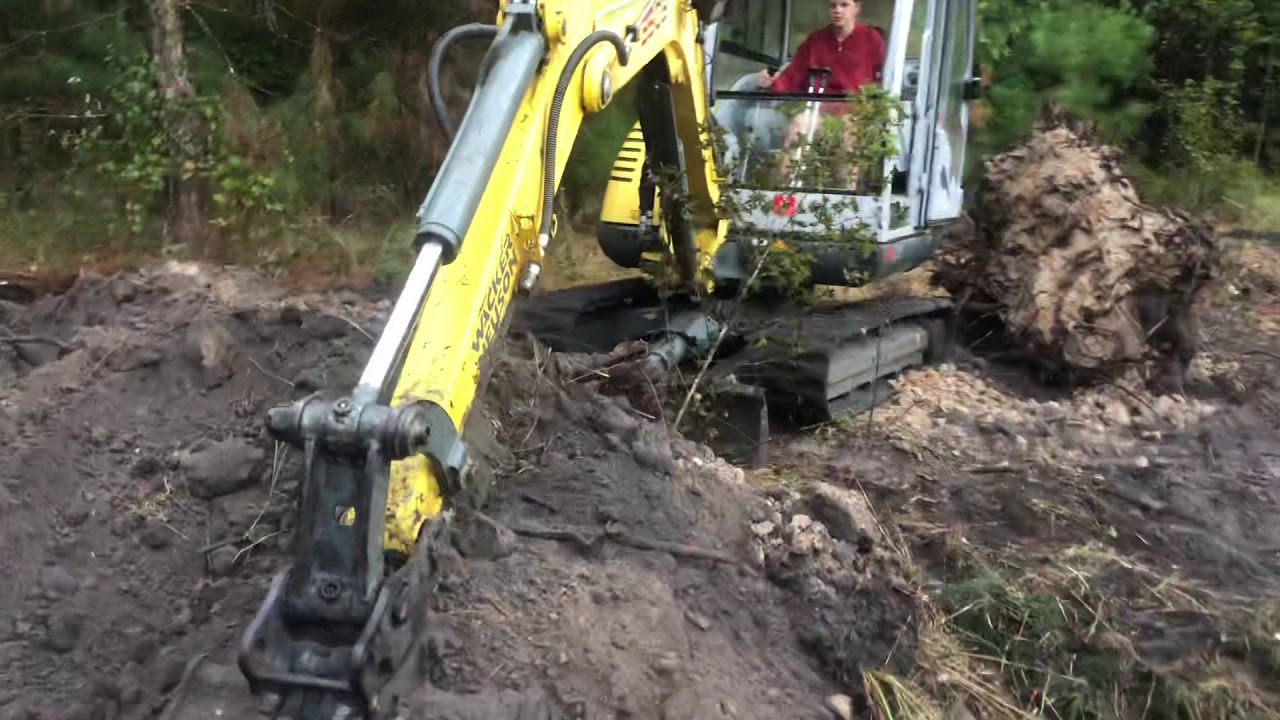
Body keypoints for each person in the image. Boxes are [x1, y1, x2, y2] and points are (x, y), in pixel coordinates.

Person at [756, 0, 886, 186]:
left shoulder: (871, 39)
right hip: (821, 107)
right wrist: (771, 82)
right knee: (798, 124)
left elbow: (885, 78)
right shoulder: (816, 40)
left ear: (857, 8)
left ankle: (844, 197)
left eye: (844, 5)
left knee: (849, 134)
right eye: (833, 6)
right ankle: (780, 193)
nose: (837, 11)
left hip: (855, 110)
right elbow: (794, 74)